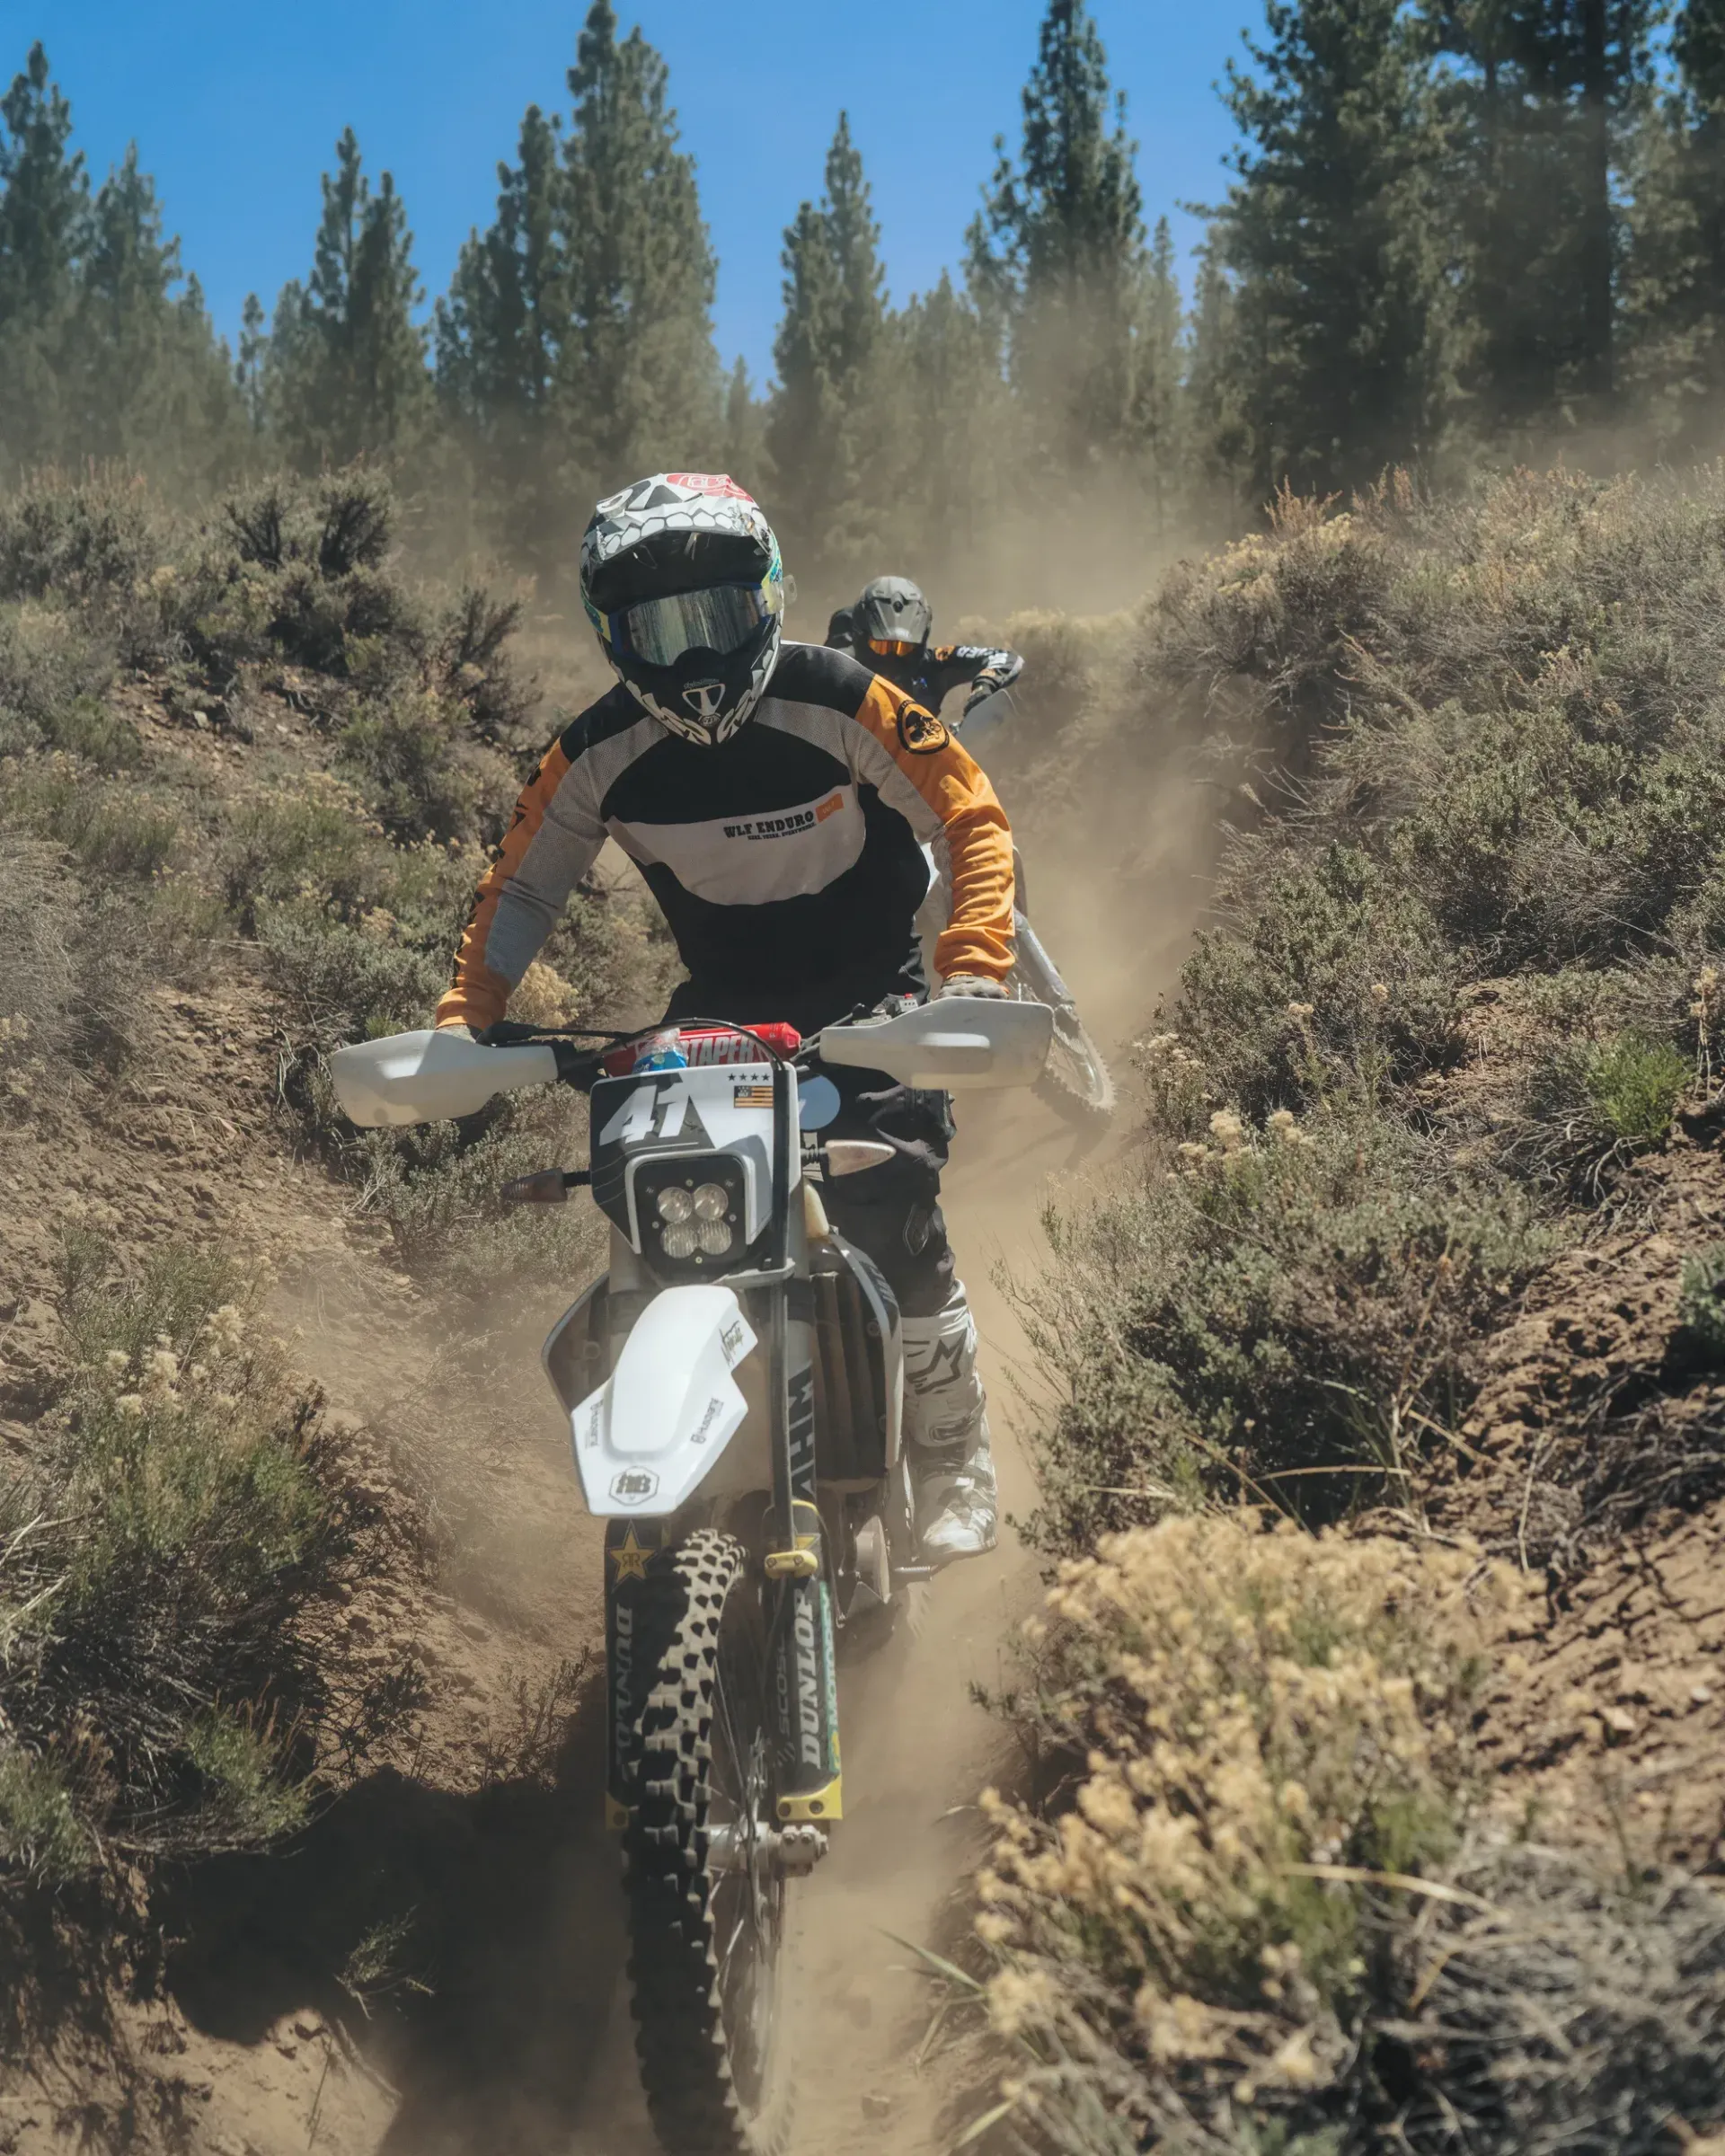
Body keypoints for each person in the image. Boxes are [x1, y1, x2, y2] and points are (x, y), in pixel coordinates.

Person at [435, 474, 1013, 1562]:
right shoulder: (591, 753)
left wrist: (973, 968)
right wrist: (469, 1014)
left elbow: (970, 814)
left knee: (890, 1194)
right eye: (662, 629)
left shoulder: (841, 696)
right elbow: (519, 888)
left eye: (717, 618)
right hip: (723, 1012)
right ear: (616, 636)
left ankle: (951, 1451)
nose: (696, 658)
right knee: (652, 1210)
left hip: (871, 997)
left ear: (770, 598)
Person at [827, 574, 1022, 720]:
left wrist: (985, 684)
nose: (892, 659)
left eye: (904, 648)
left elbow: (1005, 658)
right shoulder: (837, 667)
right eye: (882, 646)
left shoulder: (932, 663)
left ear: (921, 642)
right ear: (860, 636)